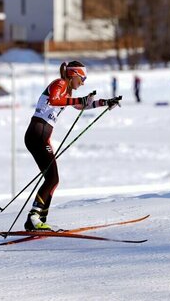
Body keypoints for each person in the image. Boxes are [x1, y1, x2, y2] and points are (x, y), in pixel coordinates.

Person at [24, 61, 121, 231]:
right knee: (53, 178)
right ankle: (34, 217)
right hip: (37, 135)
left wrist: (105, 102)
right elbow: (55, 100)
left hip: (40, 137)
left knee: (52, 179)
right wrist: (80, 99)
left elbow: (80, 105)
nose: (82, 83)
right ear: (74, 74)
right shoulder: (59, 83)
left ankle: (39, 220)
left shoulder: (65, 91)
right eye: (82, 79)